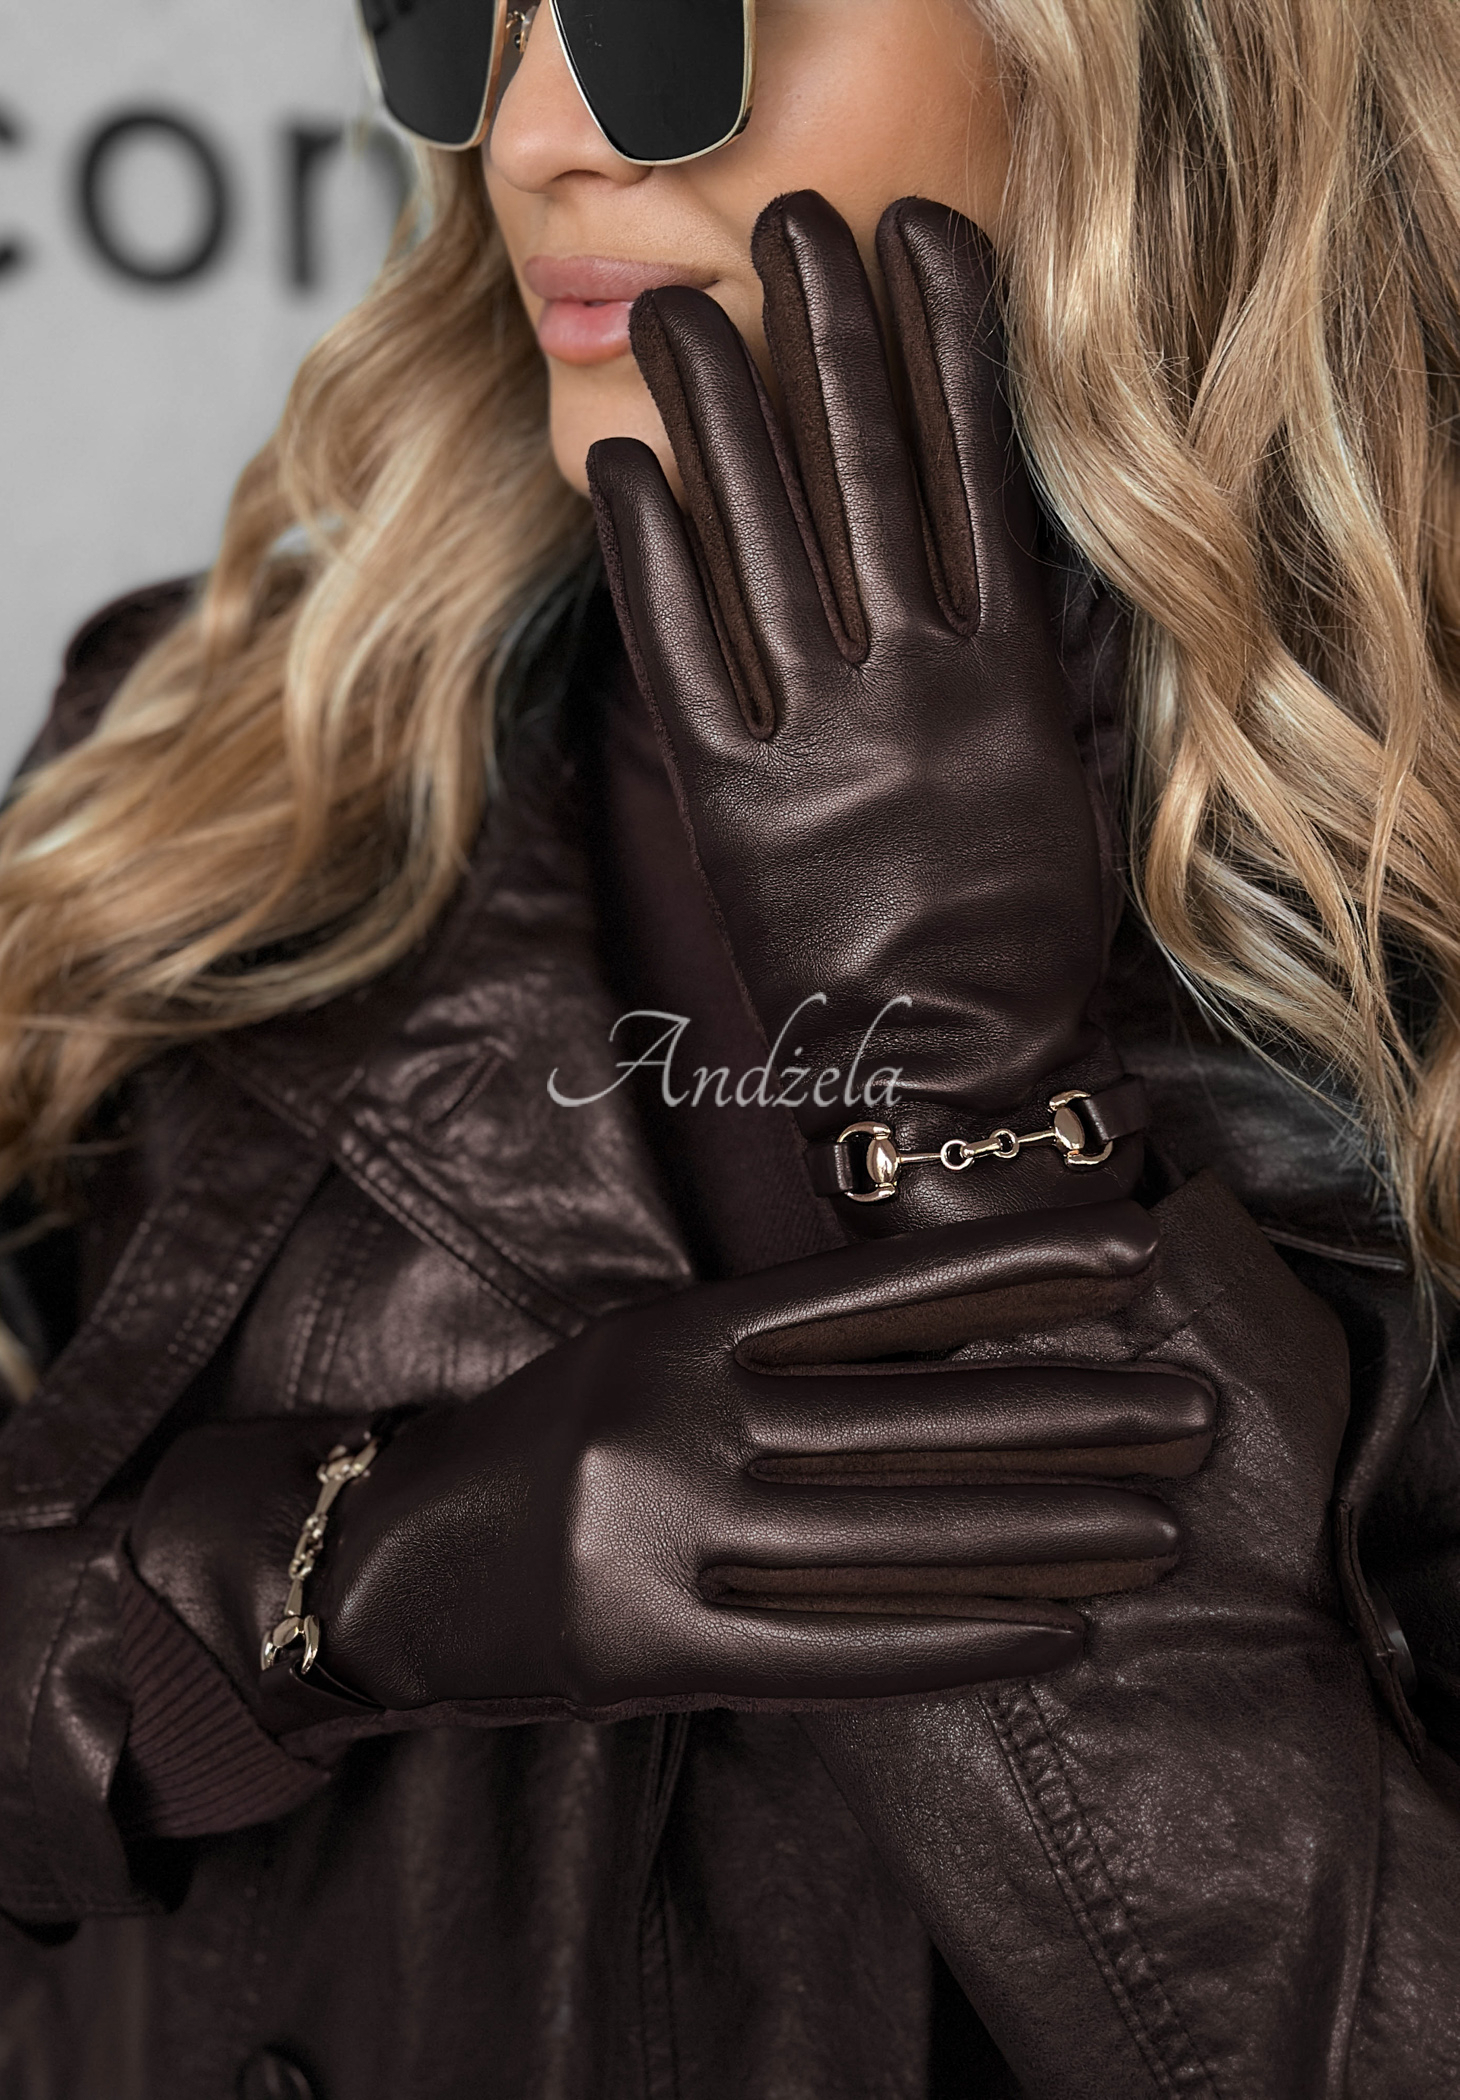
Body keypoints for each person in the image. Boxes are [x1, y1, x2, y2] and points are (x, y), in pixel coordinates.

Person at [0, 0, 1456, 2092]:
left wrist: (969, 1113)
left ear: (1138, 51)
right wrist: (349, 1578)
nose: (535, 136)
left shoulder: (1411, 908)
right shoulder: (215, 784)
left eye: (671, 9)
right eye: (466, 13)